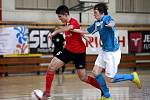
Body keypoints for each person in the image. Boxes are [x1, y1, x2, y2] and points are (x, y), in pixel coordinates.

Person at [73, 3, 142, 100]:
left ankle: (132, 77)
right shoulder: (97, 23)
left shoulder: (106, 18)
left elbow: (112, 22)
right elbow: (87, 31)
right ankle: (107, 96)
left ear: (102, 12)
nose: (94, 14)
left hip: (112, 53)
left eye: (95, 12)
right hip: (104, 51)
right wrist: (73, 30)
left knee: (110, 79)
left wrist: (110, 25)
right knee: (95, 72)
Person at [34, 5, 104, 100]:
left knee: (83, 77)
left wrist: (56, 31)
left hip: (79, 53)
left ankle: (103, 90)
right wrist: (84, 37)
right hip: (67, 51)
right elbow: (76, 31)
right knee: (51, 67)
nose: (59, 19)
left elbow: (70, 28)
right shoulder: (66, 23)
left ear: (66, 14)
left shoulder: (73, 22)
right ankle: (47, 94)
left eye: (60, 17)